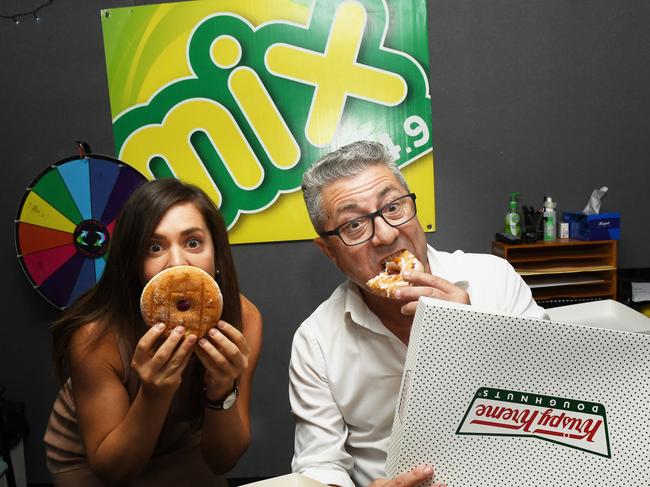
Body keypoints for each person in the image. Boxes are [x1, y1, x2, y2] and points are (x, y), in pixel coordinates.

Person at [290, 141, 545, 487]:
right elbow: (319, 466)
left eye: (393, 207)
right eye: (354, 226)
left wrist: (477, 336)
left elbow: (557, 404)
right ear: (329, 252)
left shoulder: (494, 279)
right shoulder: (316, 340)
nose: (385, 233)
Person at [44, 179, 262, 486]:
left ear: (216, 254)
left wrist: (221, 387)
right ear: (133, 261)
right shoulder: (95, 336)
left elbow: (223, 460)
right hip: (93, 454)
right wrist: (155, 392)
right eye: (154, 247)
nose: (176, 262)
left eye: (193, 242)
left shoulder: (243, 319)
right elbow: (113, 470)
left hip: (182, 442)